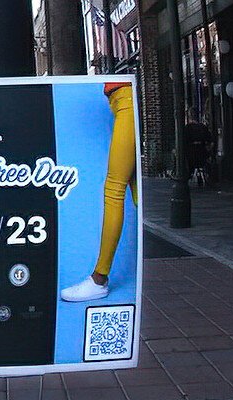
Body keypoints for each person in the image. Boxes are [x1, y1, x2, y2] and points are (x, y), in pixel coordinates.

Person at [61, 82, 137, 302]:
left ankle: (99, 279)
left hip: (128, 101)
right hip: (121, 101)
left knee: (114, 188)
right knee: (133, 190)